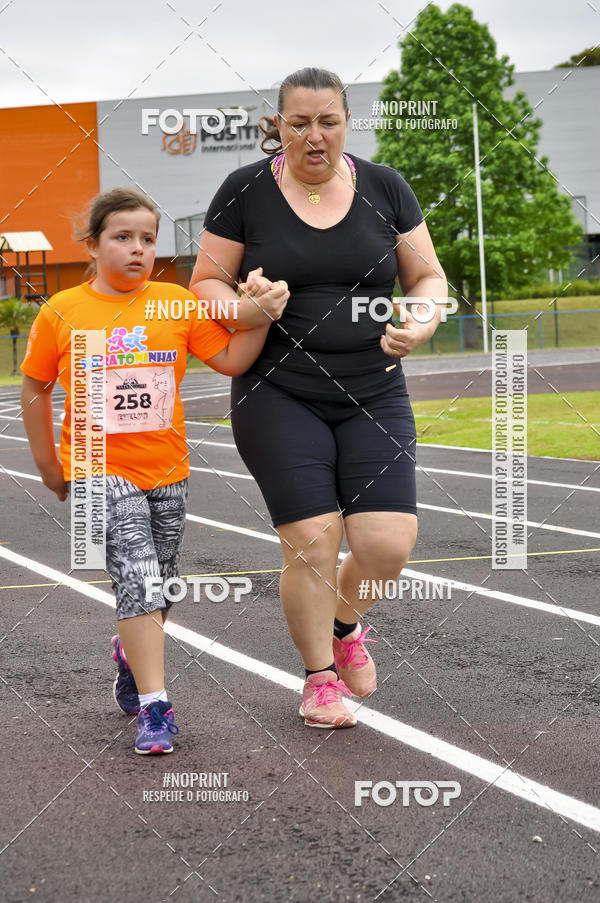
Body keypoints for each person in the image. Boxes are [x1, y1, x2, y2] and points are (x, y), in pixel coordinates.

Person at [190, 67, 448, 729]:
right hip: (279, 392)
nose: (313, 135)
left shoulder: (386, 186)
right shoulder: (244, 190)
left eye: (327, 121)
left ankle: (344, 623)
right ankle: (319, 678)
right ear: (278, 125)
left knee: (388, 543)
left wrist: (420, 320)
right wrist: (245, 306)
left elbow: (427, 276)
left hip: (374, 390)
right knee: (312, 537)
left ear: (346, 123)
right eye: (298, 122)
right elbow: (204, 287)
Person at [20, 187, 286, 754]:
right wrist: (48, 464)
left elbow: (234, 359)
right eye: (122, 238)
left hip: (167, 470)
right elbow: (35, 386)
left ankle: (129, 651)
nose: (137, 249)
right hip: (94, 469)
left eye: (147, 239)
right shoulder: (61, 311)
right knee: (138, 578)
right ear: (91, 245)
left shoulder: (175, 303)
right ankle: (155, 708)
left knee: (158, 586)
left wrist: (262, 314)